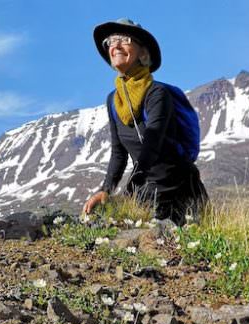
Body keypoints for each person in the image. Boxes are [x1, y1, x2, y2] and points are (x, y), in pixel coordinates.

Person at [83, 18, 208, 225]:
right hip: (144, 186)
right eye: (111, 41)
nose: (115, 45)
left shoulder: (157, 93)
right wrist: (105, 190)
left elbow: (153, 140)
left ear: (143, 53)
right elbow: (118, 153)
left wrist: (129, 192)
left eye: (124, 39)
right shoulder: (114, 101)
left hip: (177, 189)